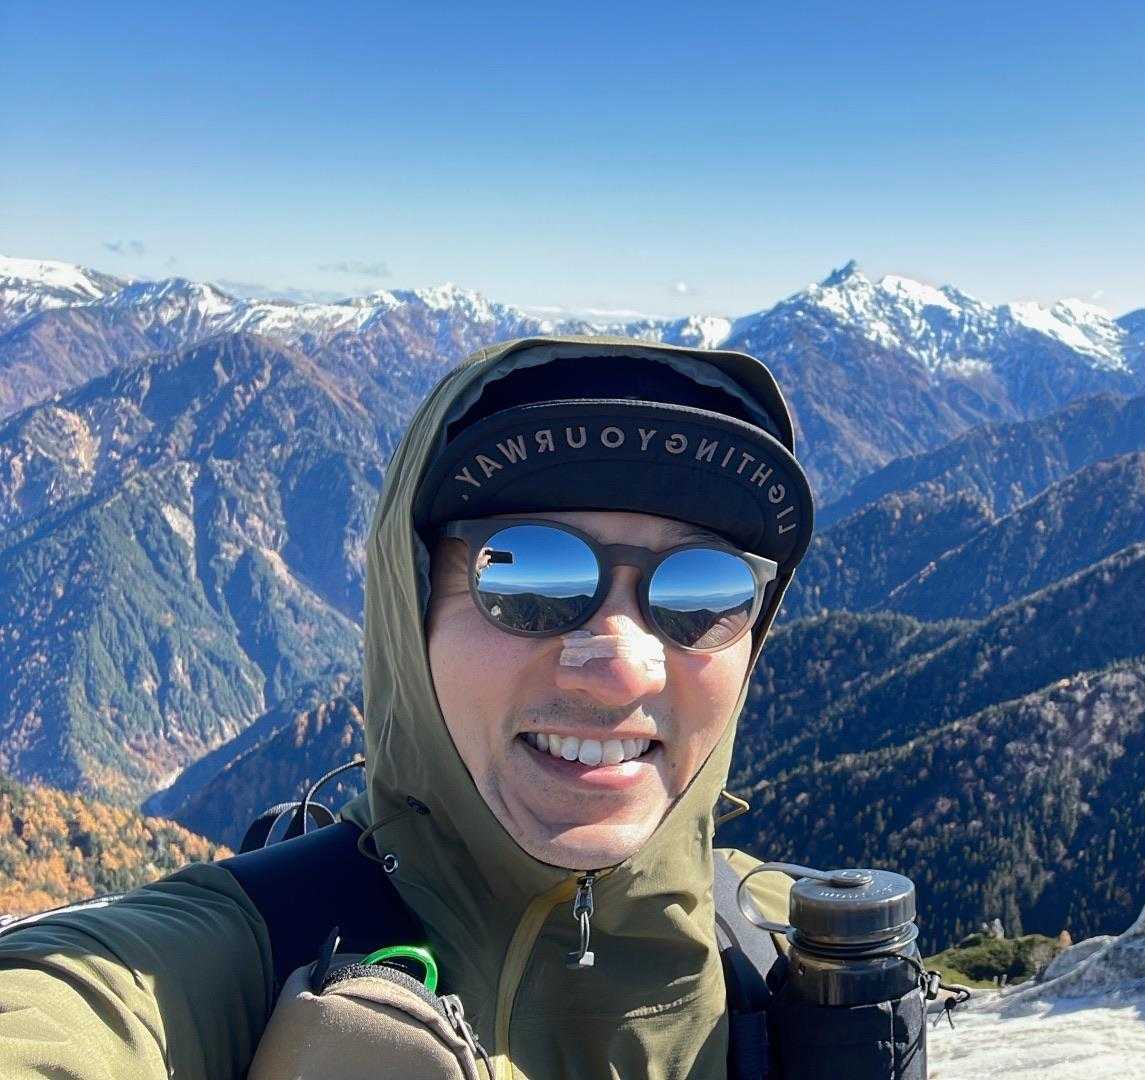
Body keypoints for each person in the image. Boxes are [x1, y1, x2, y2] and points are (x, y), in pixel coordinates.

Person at [0, 335, 817, 1078]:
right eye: (528, 577)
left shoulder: (800, 952)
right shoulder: (228, 962)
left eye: (703, 592)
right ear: (411, 605)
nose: (623, 670)